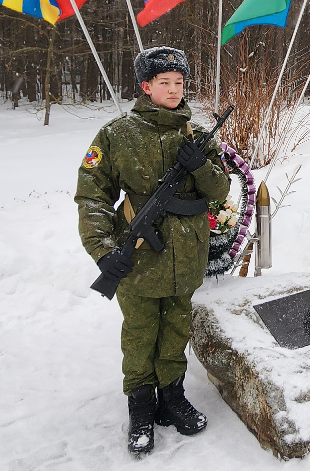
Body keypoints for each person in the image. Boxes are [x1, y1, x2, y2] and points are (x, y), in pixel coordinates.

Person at [75, 46, 230, 456]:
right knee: (141, 332)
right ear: (146, 87)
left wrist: (201, 166)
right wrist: (103, 249)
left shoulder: (194, 134)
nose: (175, 90)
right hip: (140, 257)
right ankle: (141, 404)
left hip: (187, 255)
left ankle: (172, 397)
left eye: (179, 83)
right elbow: (91, 196)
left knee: (177, 327)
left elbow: (220, 191)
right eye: (165, 83)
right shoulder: (117, 134)